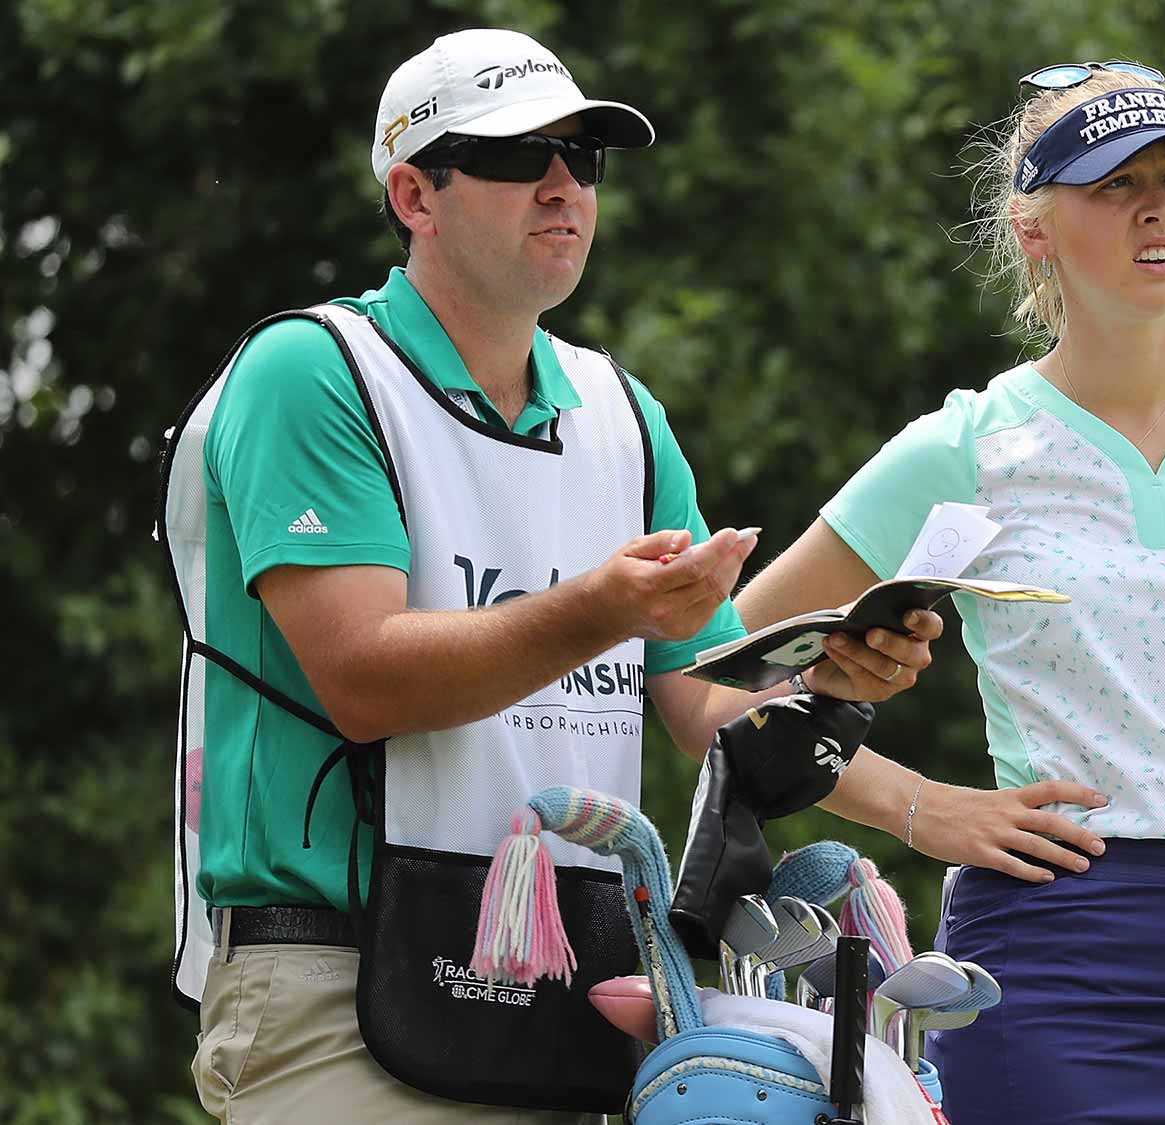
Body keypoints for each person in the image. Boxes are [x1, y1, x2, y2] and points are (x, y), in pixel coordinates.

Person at [158, 29, 939, 1123]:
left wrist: (832, 686)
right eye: (519, 156)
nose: (565, 186)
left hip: (576, 986)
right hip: (336, 986)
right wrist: (601, 607)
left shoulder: (622, 415)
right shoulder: (312, 369)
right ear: (414, 195)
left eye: (585, 158)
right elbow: (365, 680)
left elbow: (703, 704)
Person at [736, 61, 1165, 1124]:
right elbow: (710, 678)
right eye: (1110, 183)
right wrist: (918, 807)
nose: (1155, 208)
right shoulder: (966, 448)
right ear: (1033, 228)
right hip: (1055, 976)